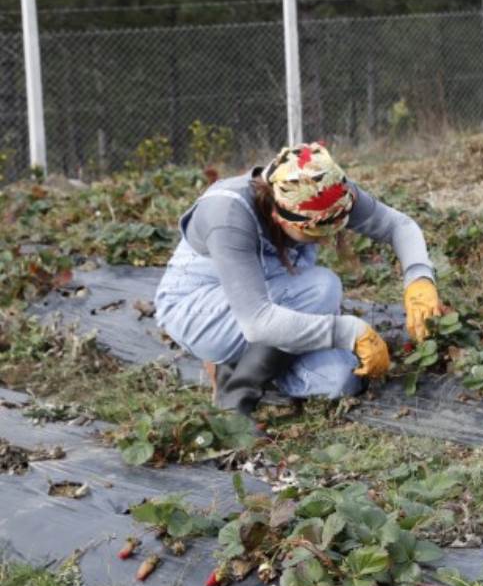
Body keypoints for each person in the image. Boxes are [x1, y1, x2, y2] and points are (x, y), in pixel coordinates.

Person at [154, 142, 444, 419]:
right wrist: (350, 331)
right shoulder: (228, 212)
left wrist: (419, 278)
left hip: (273, 300)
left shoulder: (324, 187)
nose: (328, 237)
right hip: (201, 309)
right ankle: (234, 394)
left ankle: (253, 364)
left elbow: (399, 225)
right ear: (281, 217)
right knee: (321, 288)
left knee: (341, 380)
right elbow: (257, 321)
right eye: (315, 232)